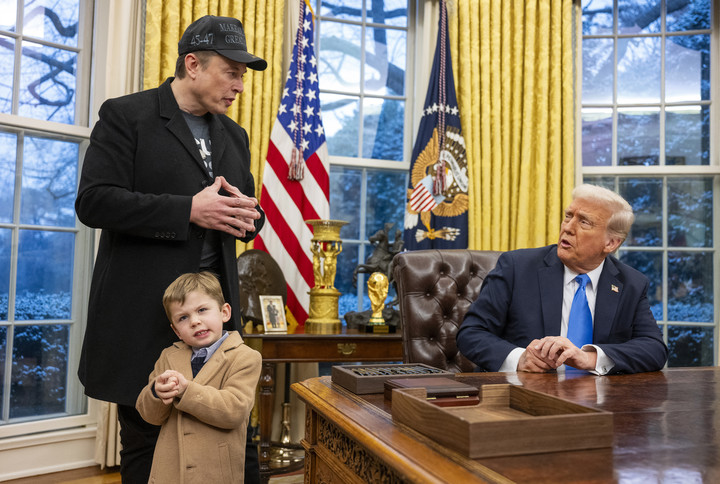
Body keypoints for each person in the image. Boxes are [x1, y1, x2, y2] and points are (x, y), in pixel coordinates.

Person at [75, 15, 266, 483]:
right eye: (233, 71)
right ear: (193, 64)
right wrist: (186, 211)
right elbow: (94, 201)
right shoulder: (126, 115)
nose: (240, 85)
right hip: (143, 317)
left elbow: (244, 216)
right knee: (146, 441)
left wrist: (250, 216)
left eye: (244, 74)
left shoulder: (234, 136)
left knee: (232, 441)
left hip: (213, 322)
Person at [457, 184, 668, 375]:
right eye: (568, 216)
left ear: (611, 243)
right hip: (522, 397)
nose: (567, 227)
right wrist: (520, 359)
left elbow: (654, 348)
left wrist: (590, 358)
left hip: (598, 403)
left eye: (584, 222)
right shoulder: (517, 267)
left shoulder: (630, 283)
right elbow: (471, 333)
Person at [136, 272, 261, 483]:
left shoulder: (245, 357)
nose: (195, 321)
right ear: (176, 330)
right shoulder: (168, 356)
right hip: (169, 474)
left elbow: (234, 410)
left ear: (224, 312)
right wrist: (156, 393)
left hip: (215, 474)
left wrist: (187, 391)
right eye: (183, 318)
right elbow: (150, 416)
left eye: (202, 310)